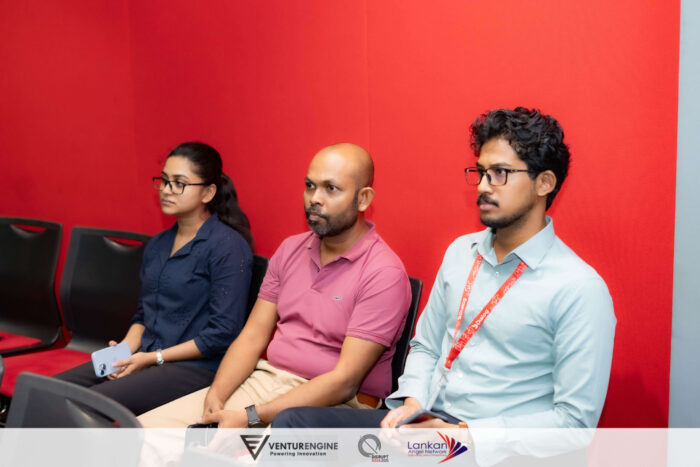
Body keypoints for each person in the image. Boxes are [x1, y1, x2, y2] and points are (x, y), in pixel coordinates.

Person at [272, 108, 616, 466]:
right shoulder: (461, 253)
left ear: (544, 183)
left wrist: (465, 435)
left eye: (499, 174)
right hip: (428, 422)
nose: (483, 186)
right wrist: (413, 403)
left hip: (490, 449)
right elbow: (425, 345)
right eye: (480, 172)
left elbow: (574, 423)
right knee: (294, 427)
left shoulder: (578, 288)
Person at [137, 142, 412, 428]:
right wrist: (215, 397)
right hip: (267, 380)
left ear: (363, 199)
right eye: (309, 186)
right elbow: (252, 336)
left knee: (227, 450)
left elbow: (344, 382)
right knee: (140, 435)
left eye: (331, 188)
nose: (314, 199)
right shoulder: (291, 249)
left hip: (338, 406)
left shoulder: (383, 273)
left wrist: (250, 415)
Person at [54, 142, 254, 416]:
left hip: (196, 367)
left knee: (84, 406)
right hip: (149, 354)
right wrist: (124, 350)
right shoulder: (159, 244)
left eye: (179, 183)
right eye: (164, 180)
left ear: (208, 192)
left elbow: (222, 334)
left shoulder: (227, 247)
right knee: (47, 391)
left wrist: (152, 358)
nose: (167, 190)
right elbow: (144, 315)